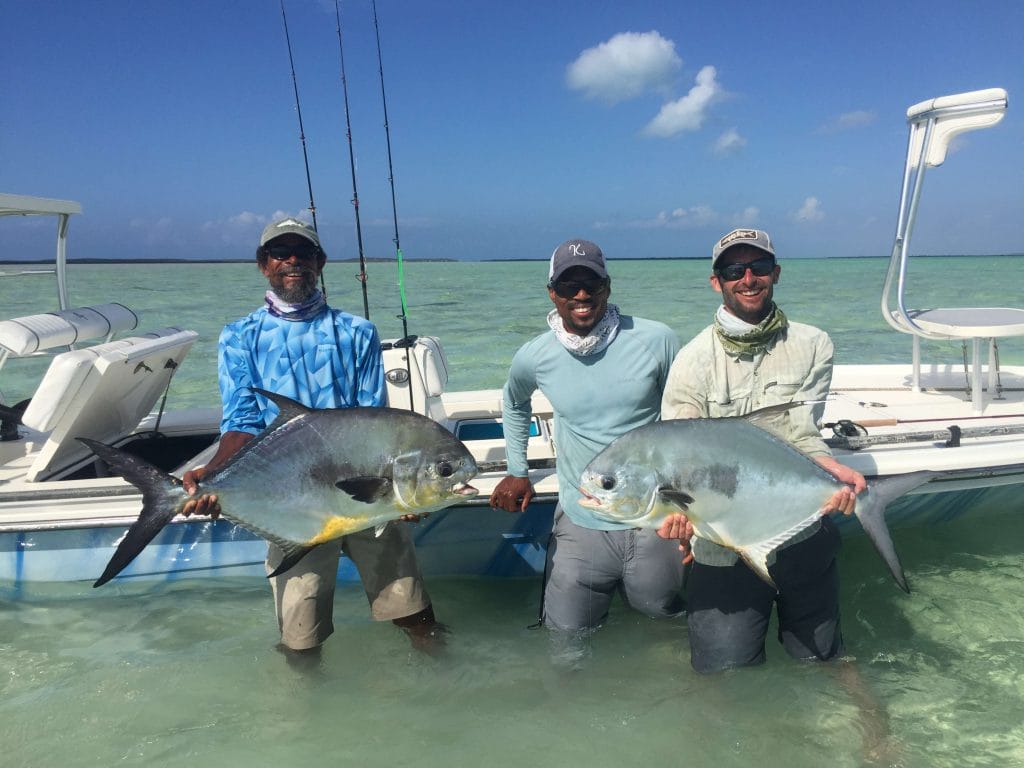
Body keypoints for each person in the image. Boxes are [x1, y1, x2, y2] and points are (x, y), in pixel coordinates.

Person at [181, 216, 440, 656]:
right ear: (264, 265)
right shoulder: (239, 336)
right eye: (280, 253)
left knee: (415, 614)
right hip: (290, 495)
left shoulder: (357, 332)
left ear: (320, 262)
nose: (292, 261)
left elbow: (372, 422)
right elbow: (241, 422)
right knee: (300, 637)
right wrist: (211, 480)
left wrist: (403, 493)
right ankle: (303, 711)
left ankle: (443, 684)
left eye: (303, 252)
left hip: (363, 491)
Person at [658, 227, 865, 674]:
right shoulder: (691, 361)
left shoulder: (814, 345)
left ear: (777, 273)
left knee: (826, 662)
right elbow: (679, 460)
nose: (748, 278)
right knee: (721, 673)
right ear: (717, 281)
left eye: (759, 267)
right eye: (734, 269)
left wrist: (828, 469)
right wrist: (679, 517)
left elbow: (802, 434)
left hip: (801, 535)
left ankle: (872, 736)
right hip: (723, 548)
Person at [489, 238, 686, 638]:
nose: (580, 295)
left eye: (591, 284)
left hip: (653, 515)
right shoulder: (535, 355)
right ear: (552, 294)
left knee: (664, 618)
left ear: (607, 287)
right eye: (567, 286)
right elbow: (513, 402)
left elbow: (687, 417)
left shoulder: (657, 340)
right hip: (583, 515)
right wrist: (516, 469)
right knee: (566, 636)